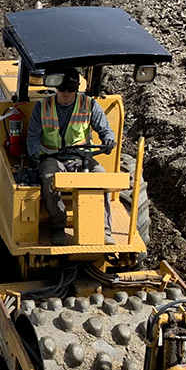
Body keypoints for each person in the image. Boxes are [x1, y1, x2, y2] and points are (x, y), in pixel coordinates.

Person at [26, 67, 116, 245]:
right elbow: (33, 136)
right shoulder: (43, 107)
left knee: (102, 177)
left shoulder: (89, 105)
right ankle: (58, 226)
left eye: (70, 90)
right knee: (49, 178)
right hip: (53, 158)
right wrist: (34, 154)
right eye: (62, 89)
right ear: (56, 88)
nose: (66, 94)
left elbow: (105, 129)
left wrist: (109, 140)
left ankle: (104, 230)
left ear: (77, 89)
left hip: (82, 158)